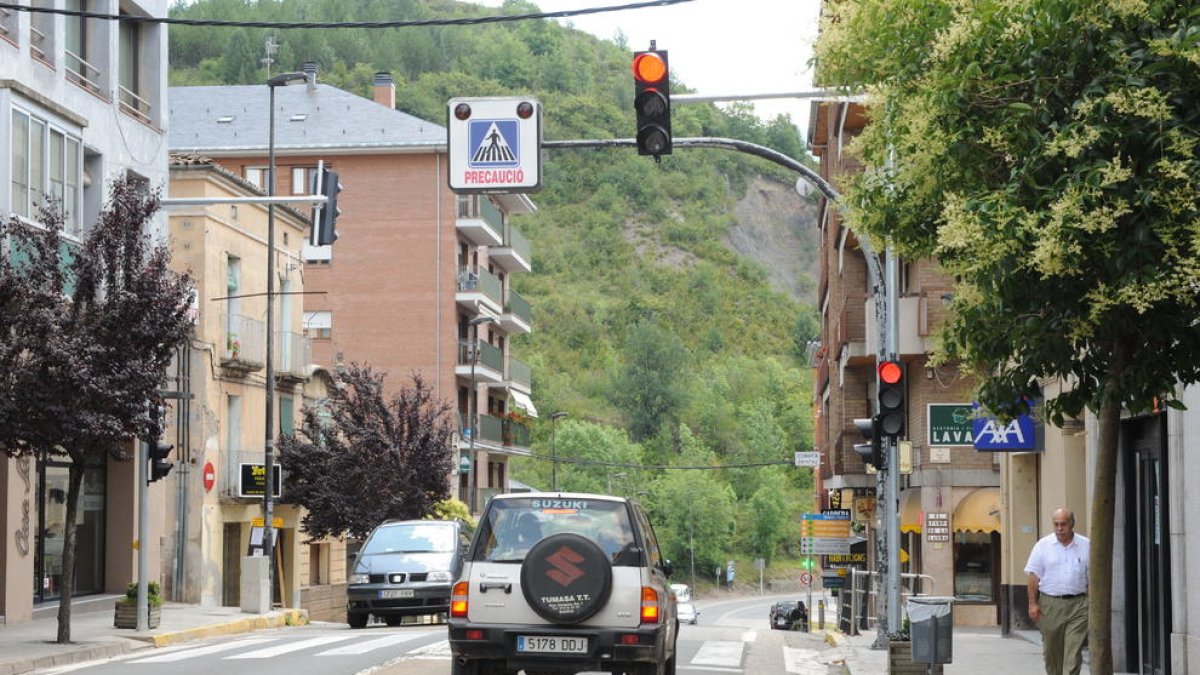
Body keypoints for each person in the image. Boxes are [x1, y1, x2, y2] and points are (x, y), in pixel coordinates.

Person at [1025, 507, 1090, 675]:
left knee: (1073, 653)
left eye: (1064, 524)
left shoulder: (1086, 545)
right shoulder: (1043, 545)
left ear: (1072, 524)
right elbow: (1033, 576)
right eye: (1056, 525)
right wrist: (1033, 604)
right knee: (1052, 654)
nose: (1060, 529)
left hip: (1079, 605)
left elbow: (1093, 578)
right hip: (1050, 605)